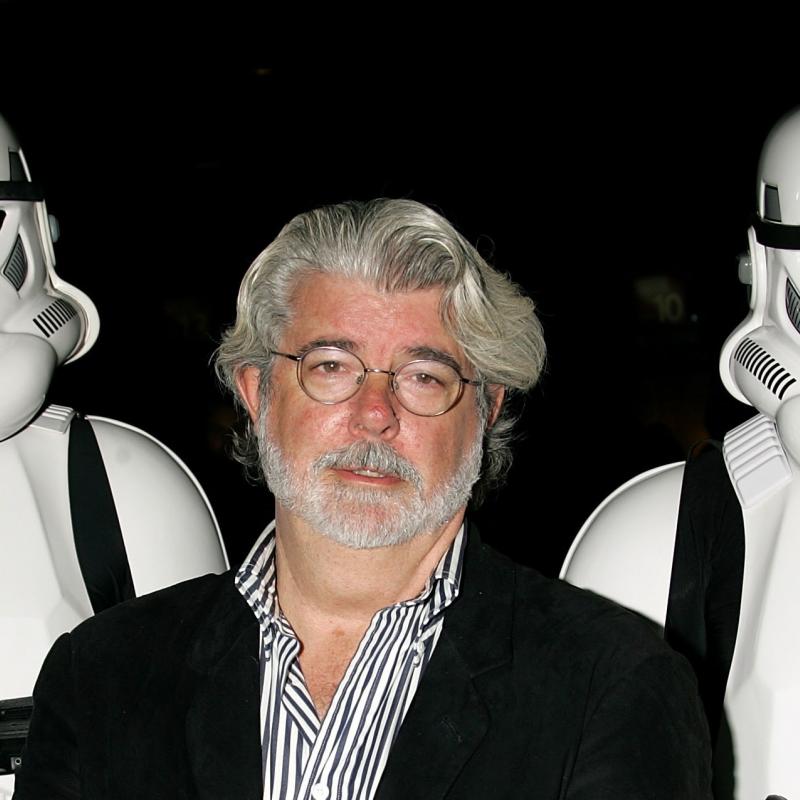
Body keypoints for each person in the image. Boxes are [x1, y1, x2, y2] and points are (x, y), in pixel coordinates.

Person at [14, 199, 712, 799]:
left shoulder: (614, 685)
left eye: (423, 376)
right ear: (258, 394)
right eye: (331, 366)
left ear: (486, 412)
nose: (374, 413)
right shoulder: (101, 676)